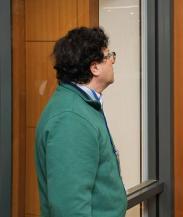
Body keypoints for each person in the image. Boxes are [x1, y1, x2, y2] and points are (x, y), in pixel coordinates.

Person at [35, 27, 127, 217]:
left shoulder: (82, 105)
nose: (112, 60)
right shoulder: (70, 119)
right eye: (108, 55)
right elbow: (70, 208)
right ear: (95, 68)